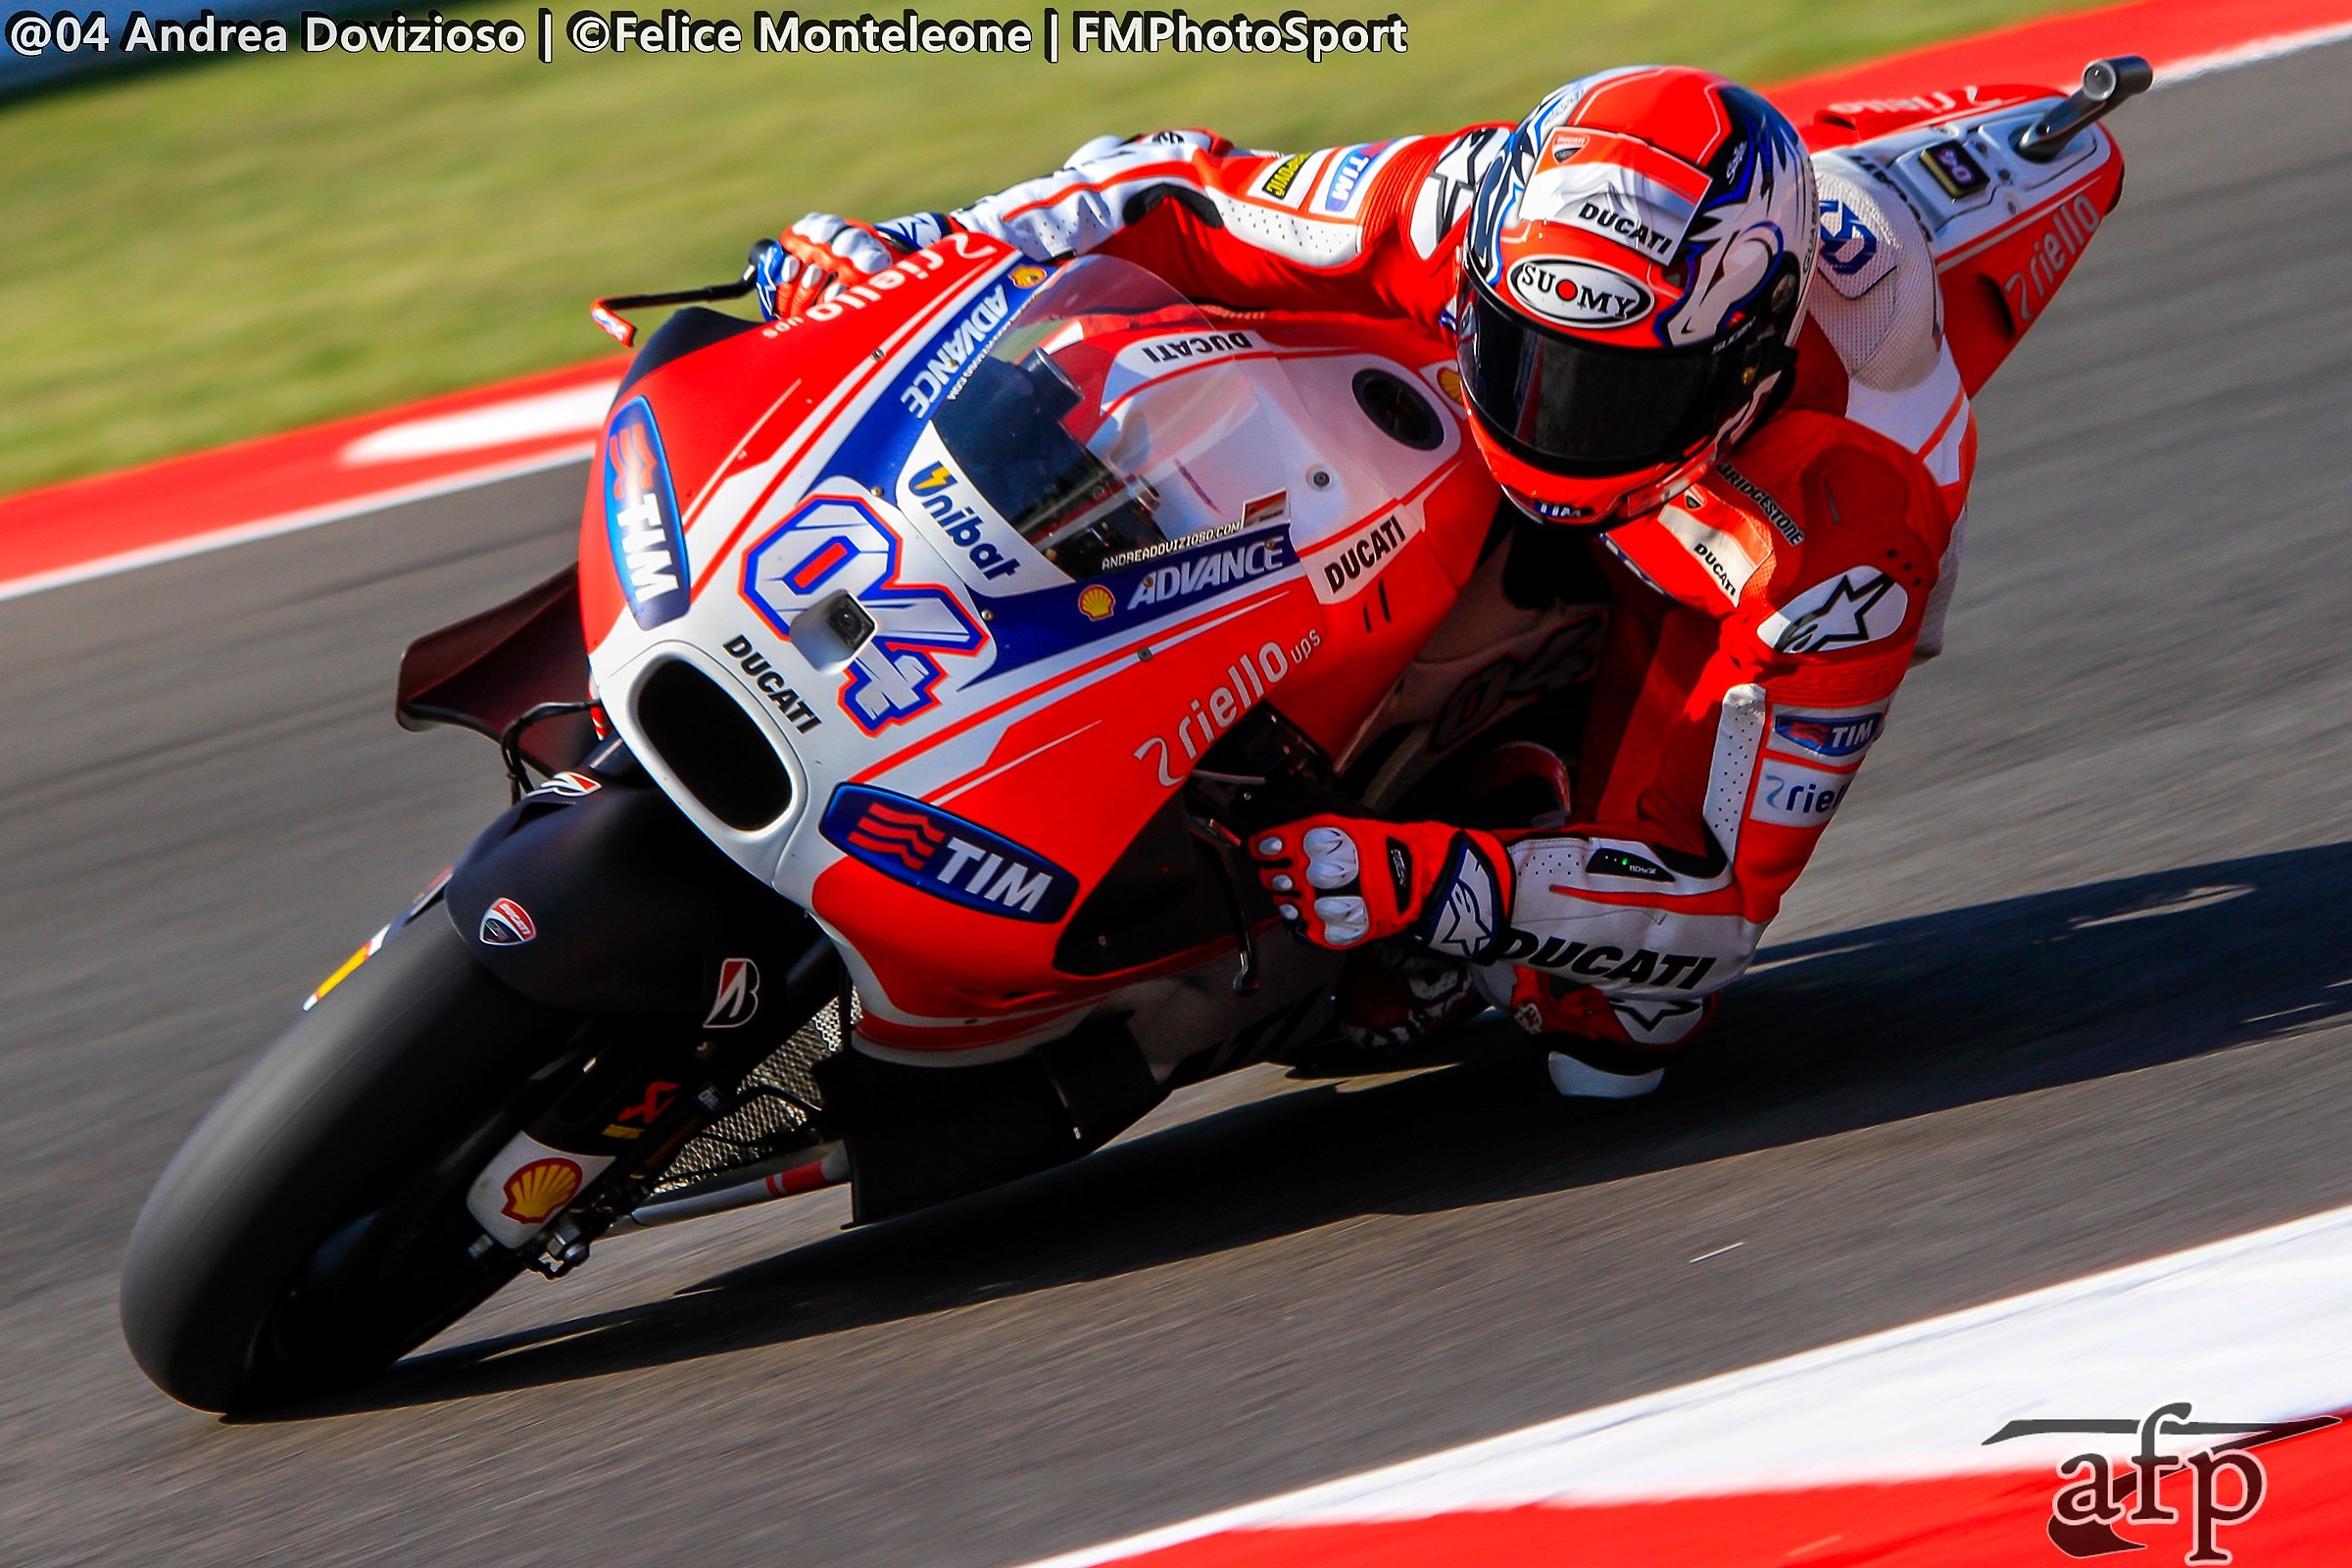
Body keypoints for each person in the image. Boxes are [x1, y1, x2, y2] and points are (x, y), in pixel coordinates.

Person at [769, 66, 1972, 1100]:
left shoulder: (1853, 523)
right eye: (1527, 355)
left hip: (1723, 548)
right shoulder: (1455, 203)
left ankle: (1489, 806)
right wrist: (928, 245)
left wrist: (1445, 884)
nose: (1553, 422)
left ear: (1741, 369)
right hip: (1452, 384)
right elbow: (1174, 188)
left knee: (1614, 1035)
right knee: (1122, 355)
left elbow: (1711, 911)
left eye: (1612, 395)